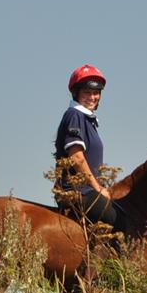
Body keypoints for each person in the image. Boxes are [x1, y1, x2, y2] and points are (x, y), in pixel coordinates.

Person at [53, 64, 125, 232]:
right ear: (76, 93)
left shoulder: (87, 119)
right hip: (78, 191)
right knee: (120, 220)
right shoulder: (75, 115)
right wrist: (97, 188)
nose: (92, 97)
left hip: (87, 190)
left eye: (96, 93)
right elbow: (76, 156)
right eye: (87, 92)